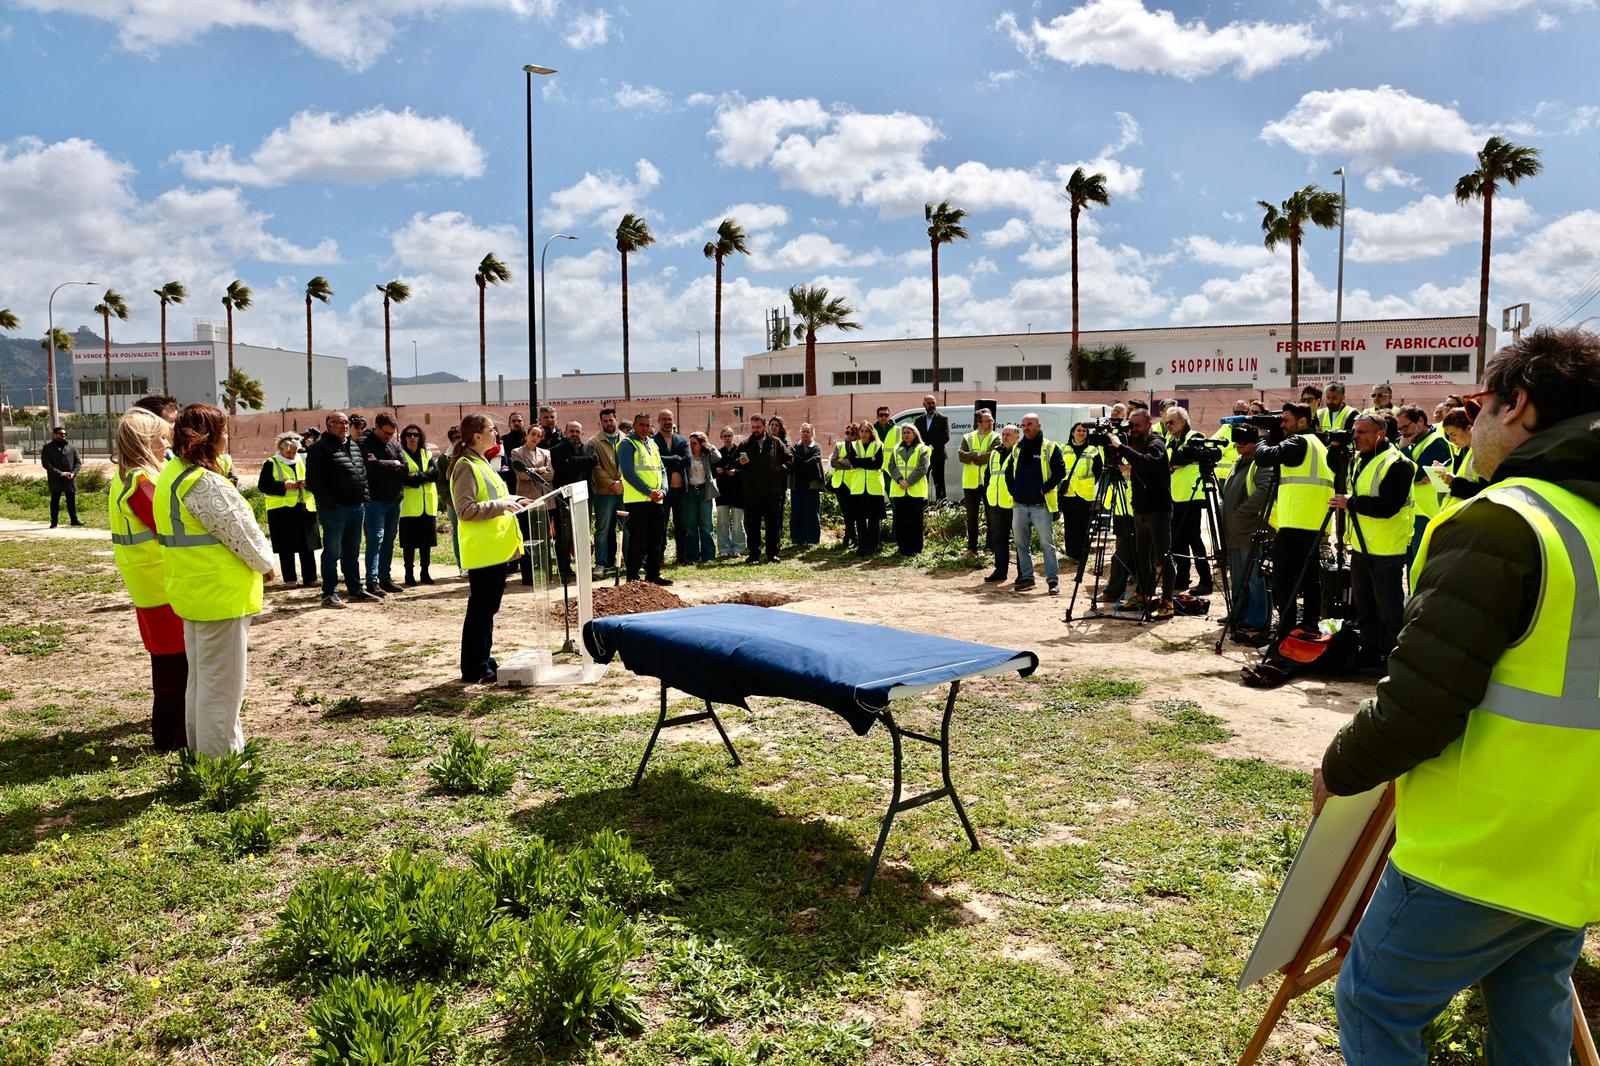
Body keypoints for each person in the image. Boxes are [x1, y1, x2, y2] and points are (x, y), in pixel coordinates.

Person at [1317, 327, 1600, 1063]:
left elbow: (1422, 701)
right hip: (1570, 852)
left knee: (1374, 1002)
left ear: (1520, 407)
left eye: (1477, 405)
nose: (1466, 425)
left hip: (1478, 847)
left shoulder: (1506, 521)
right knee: (1530, 1019)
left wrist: (1339, 770)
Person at [153, 404, 275, 755]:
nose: (226, 438)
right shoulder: (203, 484)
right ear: (208, 438)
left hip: (194, 592)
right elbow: (241, 533)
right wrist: (266, 564)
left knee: (202, 682)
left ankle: (200, 754)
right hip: (220, 595)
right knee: (223, 688)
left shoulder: (173, 475)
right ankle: (221, 766)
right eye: (223, 432)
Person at [108, 408, 187, 751]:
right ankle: (171, 737)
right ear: (146, 442)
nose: (166, 444)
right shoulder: (142, 480)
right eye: (161, 438)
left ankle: (169, 733)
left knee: (167, 661)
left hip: (148, 583)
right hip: (161, 585)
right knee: (174, 665)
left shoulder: (125, 477)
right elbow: (166, 523)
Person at [1330, 412, 1414, 670]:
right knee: (1363, 604)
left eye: (1361, 432)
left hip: (1386, 548)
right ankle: (1368, 652)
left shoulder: (1397, 464)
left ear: (1380, 434)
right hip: (1361, 545)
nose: (1355, 437)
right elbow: (1335, 466)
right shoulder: (1359, 459)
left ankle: (1391, 659)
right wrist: (1336, 446)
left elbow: (1388, 506)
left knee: (1387, 607)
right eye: (1354, 432)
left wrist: (1350, 503)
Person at [450, 414, 527, 683]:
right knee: (480, 610)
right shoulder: (465, 466)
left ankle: (484, 658)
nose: (496, 434)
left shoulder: (482, 462)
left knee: (488, 609)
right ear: (477, 435)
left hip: (495, 549)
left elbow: (493, 496)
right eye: (492, 430)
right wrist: (501, 506)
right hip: (482, 551)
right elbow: (464, 509)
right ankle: (473, 667)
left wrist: (513, 499)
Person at [1250, 403, 1334, 637]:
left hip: (1297, 521)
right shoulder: (1318, 444)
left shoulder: (1299, 442)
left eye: (1286, 420)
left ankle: (1286, 631)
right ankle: (1307, 627)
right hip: (1313, 521)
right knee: (1308, 579)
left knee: (1283, 580)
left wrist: (1262, 436)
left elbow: (1264, 457)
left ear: (1303, 422)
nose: (1282, 425)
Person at [304, 411, 377, 608]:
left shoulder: (353, 446)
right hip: (334, 510)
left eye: (346, 422)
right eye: (338, 422)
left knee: (352, 551)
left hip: (356, 507)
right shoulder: (319, 449)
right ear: (328, 425)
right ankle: (329, 593)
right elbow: (313, 481)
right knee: (333, 551)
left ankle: (355, 589)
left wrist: (365, 498)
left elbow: (361, 473)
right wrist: (330, 502)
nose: (344, 426)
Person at [1106, 411, 1174, 617]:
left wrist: (1120, 446)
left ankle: (1168, 601)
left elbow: (1146, 462)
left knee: (1163, 556)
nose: (1133, 430)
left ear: (1149, 424)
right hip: (1140, 510)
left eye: (1138, 426)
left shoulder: (1156, 444)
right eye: (1131, 426)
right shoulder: (1135, 443)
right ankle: (1143, 594)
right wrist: (1115, 448)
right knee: (1142, 556)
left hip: (1159, 511)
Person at [1220, 426, 1275, 640]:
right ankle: (1239, 614)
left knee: (1255, 579)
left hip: (1251, 531)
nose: (1239, 444)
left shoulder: (1262, 461)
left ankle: (1257, 620)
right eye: (1237, 440)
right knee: (1239, 577)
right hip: (1235, 531)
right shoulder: (1240, 460)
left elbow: (1265, 491)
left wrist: (1241, 512)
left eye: (1244, 440)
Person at [1003, 413, 1065, 594]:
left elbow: (1060, 471)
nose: (1026, 428)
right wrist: (1013, 491)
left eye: (1029, 424)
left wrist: (1045, 488)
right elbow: (1008, 472)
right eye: (1023, 425)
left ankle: (1053, 581)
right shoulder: (1018, 448)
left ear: (1039, 425)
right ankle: (1028, 578)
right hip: (1019, 506)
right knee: (1021, 545)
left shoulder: (1049, 447)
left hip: (1040, 506)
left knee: (1047, 545)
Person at [258, 431, 319, 587]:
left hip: (304, 507)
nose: (292, 455)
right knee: (286, 546)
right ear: (281, 449)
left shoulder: (304, 460)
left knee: (307, 544)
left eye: (294, 452)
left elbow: (316, 479)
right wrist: (284, 486)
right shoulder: (271, 463)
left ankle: (310, 578)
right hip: (281, 510)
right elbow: (263, 486)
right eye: (288, 452)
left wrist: (308, 484)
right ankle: (290, 579)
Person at [1165, 406, 1215, 596]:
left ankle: (1206, 580)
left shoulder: (1195, 436)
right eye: (1166, 422)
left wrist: (1173, 462)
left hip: (1192, 496)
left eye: (1172, 422)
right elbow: (1170, 460)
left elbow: (1180, 457)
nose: (1168, 425)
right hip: (1176, 497)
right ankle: (1183, 577)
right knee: (1177, 541)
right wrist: (1173, 462)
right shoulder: (1172, 440)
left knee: (1194, 539)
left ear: (1183, 421)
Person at [617, 411, 671, 585]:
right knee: (638, 540)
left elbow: (661, 469)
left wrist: (663, 489)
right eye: (641, 425)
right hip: (637, 501)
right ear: (634, 425)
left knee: (656, 539)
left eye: (648, 425)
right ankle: (633, 576)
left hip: (656, 500)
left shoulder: (653, 444)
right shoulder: (627, 444)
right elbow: (629, 473)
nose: (645, 428)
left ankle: (653, 574)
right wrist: (648, 491)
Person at [1397, 403, 1451, 572]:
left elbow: (1416, 474)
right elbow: (1403, 474)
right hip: (1412, 513)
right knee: (1411, 565)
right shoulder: (1414, 442)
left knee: (1422, 566)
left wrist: (1404, 450)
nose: (1403, 432)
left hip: (1427, 514)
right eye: (1400, 429)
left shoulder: (1436, 442)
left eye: (1406, 426)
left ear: (1420, 421)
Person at [358, 413, 407, 597]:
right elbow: (370, 468)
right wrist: (392, 464)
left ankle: (385, 578)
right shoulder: (364, 443)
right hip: (376, 500)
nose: (389, 436)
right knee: (375, 539)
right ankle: (372, 581)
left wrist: (386, 466)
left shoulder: (394, 444)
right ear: (377, 426)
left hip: (395, 499)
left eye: (391, 433)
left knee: (389, 540)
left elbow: (405, 468)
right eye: (386, 432)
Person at [737, 413, 792, 564]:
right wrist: (739, 462)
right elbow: (733, 463)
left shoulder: (776, 442)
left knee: (772, 525)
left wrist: (779, 470)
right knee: (752, 525)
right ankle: (754, 554)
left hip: (772, 491)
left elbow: (789, 459)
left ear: (764, 426)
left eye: (758, 427)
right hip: (752, 492)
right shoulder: (745, 444)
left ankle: (772, 553)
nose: (755, 430)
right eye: (753, 427)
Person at [550, 420, 597, 583]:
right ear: (566, 432)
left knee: (583, 534)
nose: (575, 434)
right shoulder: (556, 450)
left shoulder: (588, 448)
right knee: (565, 536)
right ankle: (565, 570)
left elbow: (594, 462)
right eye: (572, 431)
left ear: (582, 433)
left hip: (585, 497)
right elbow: (563, 467)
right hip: (565, 499)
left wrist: (573, 461)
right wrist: (582, 461)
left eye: (578, 431)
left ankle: (584, 568)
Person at [510, 425, 553, 587]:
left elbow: (551, 474)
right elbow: (521, 475)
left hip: (544, 501)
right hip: (526, 501)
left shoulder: (546, 453)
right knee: (528, 538)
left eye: (539, 435)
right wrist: (539, 470)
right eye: (533, 434)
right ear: (526, 435)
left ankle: (545, 574)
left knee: (544, 539)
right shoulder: (517, 452)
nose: (535, 437)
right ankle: (528, 576)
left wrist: (534, 472)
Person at [398, 424, 439, 586]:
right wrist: (424, 476)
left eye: (416, 434)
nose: (412, 438)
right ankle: (409, 574)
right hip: (409, 507)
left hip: (427, 505)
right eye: (409, 435)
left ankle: (425, 572)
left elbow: (435, 474)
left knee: (426, 543)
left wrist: (417, 476)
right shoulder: (400, 454)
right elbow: (405, 478)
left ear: (420, 437)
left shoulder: (427, 453)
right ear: (404, 437)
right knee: (409, 544)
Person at [587, 408, 625, 576]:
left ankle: (627, 562)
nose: (609, 423)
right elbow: (595, 466)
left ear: (616, 420)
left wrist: (623, 483)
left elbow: (630, 465)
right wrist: (611, 483)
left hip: (625, 491)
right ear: (600, 423)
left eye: (611, 420)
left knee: (626, 528)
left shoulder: (626, 440)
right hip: (604, 492)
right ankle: (601, 563)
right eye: (605, 421)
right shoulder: (593, 442)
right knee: (602, 529)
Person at [886, 423, 931, 556]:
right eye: (904, 433)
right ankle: (902, 547)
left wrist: (909, 482)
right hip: (900, 490)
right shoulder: (896, 449)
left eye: (908, 432)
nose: (905, 435)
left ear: (915, 434)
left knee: (915, 521)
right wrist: (900, 480)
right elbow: (891, 467)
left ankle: (916, 548)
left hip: (915, 490)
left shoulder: (922, 449)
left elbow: (922, 468)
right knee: (901, 520)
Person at [1059, 423, 1101, 565]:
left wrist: (1088, 483)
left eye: (1084, 431)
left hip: (1084, 492)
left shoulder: (1093, 450)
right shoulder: (1064, 449)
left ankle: (1082, 554)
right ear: (1072, 433)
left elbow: (1098, 470)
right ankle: (1071, 553)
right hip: (1068, 492)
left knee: (1083, 525)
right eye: (1079, 430)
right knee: (1070, 524)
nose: (1082, 433)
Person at [981, 424, 1018, 583]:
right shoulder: (995, 453)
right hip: (995, 503)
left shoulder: (1020, 453)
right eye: (1003, 434)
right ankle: (1000, 571)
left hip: (1014, 504)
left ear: (1018, 437)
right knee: (999, 539)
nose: (1005, 437)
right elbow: (988, 475)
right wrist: (988, 494)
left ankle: (1023, 574)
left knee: (1020, 541)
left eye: (1009, 434)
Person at [958, 409, 998, 555]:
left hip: (988, 482)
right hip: (970, 482)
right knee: (971, 517)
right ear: (979, 423)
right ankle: (972, 547)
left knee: (991, 515)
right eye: (988, 421)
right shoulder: (968, 437)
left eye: (992, 420)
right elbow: (962, 456)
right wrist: (977, 455)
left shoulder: (996, 437)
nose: (991, 423)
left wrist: (973, 456)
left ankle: (990, 547)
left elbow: (990, 456)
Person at [655, 408, 691, 565]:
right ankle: (659, 556)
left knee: (681, 525)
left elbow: (687, 460)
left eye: (669, 419)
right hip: (663, 491)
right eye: (664, 419)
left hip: (681, 490)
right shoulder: (653, 441)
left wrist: (669, 460)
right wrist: (676, 458)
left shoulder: (681, 440)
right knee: (660, 525)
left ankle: (681, 556)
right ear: (658, 421)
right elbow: (656, 460)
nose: (667, 422)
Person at [845, 419, 885, 557]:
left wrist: (862, 462)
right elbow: (853, 462)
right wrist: (869, 461)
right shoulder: (853, 445)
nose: (863, 434)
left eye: (866, 431)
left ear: (871, 432)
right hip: (858, 487)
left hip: (874, 486)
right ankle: (862, 546)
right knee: (860, 519)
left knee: (874, 519)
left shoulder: (878, 445)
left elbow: (878, 464)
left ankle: (872, 546)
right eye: (861, 431)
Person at [682, 431, 720, 563]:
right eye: (690, 443)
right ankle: (693, 556)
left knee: (706, 525)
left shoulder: (706, 455)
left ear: (701, 444)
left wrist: (709, 446)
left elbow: (718, 457)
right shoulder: (687, 455)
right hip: (690, 491)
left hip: (705, 491)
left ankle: (708, 556)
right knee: (691, 526)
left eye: (694, 443)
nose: (691, 446)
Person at [1436, 407, 1483, 507]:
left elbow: (1486, 492)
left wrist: (1454, 482)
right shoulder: (1464, 450)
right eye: (1448, 435)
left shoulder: (1484, 453)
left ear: (1469, 428)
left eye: (1453, 434)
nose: (1451, 440)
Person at [712, 426, 747, 559]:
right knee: (722, 522)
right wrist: (717, 471)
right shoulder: (717, 453)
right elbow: (711, 471)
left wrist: (736, 472)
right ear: (721, 438)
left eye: (729, 436)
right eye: (725, 436)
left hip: (737, 492)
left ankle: (738, 547)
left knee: (738, 522)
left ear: (733, 437)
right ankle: (724, 549)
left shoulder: (740, 451)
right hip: (722, 492)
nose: (727, 438)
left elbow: (746, 470)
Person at [789, 423, 824, 548]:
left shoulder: (816, 447)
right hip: (797, 484)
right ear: (800, 433)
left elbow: (816, 458)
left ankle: (812, 539)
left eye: (808, 431)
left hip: (811, 484)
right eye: (803, 431)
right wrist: (804, 462)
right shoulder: (794, 447)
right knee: (797, 512)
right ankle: (797, 539)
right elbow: (792, 460)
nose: (805, 434)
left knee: (812, 512)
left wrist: (801, 462)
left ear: (812, 433)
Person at [42, 426, 83, 527]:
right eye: (61, 434)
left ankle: (74, 520)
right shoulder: (47, 448)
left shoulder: (72, 447)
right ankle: (54, 522)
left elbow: (77, 462)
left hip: (70, 479)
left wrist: (73, 473)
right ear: (54, 435)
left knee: (71, 501)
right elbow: (46, 464)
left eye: (65, 434)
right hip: (56, 478)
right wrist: (60, 473)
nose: (63, 436)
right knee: (55, 501)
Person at [916, 395, 950, 503]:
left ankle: (942, 507)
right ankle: (923, 507)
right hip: (923, 456)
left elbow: (945, 437)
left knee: (939, 483)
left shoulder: (942, 419)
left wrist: (931, 447)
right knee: (922, 481)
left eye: (933, 403)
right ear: (924, 404)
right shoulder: (918, 420)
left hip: (938, 456)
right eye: (929, 403)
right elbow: (916, 437)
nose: (931, 405)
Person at [830, 425, 857, 550]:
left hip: (853, 483)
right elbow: (833, 462)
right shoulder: (839, 445)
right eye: (847, 433)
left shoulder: (858, 446)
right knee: (846, 512)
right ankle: (852, 538)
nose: (849, 435)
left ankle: (849, 538)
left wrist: (842, 461)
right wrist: (846, 464)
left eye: (852, 433)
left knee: (851, 513)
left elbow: (855, 463)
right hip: (839, 484)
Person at [499, 411, 527, 494]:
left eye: (519, 421)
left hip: (527, 475)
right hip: (511, 477)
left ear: (523, 422)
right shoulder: (504, 440)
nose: (516, 423)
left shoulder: (528, 438)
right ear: (509, 424)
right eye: (513, 421)